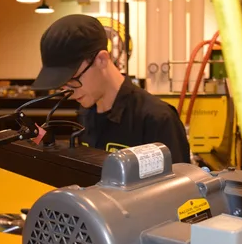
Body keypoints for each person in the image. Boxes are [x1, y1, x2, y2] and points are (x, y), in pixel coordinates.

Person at [31, 14, 191, 164]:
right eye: (62, 84)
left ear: (101, 60)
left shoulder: (156, 120)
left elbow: (178, 182)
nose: (70, 92)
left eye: (73, 78)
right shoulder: (86, 113)